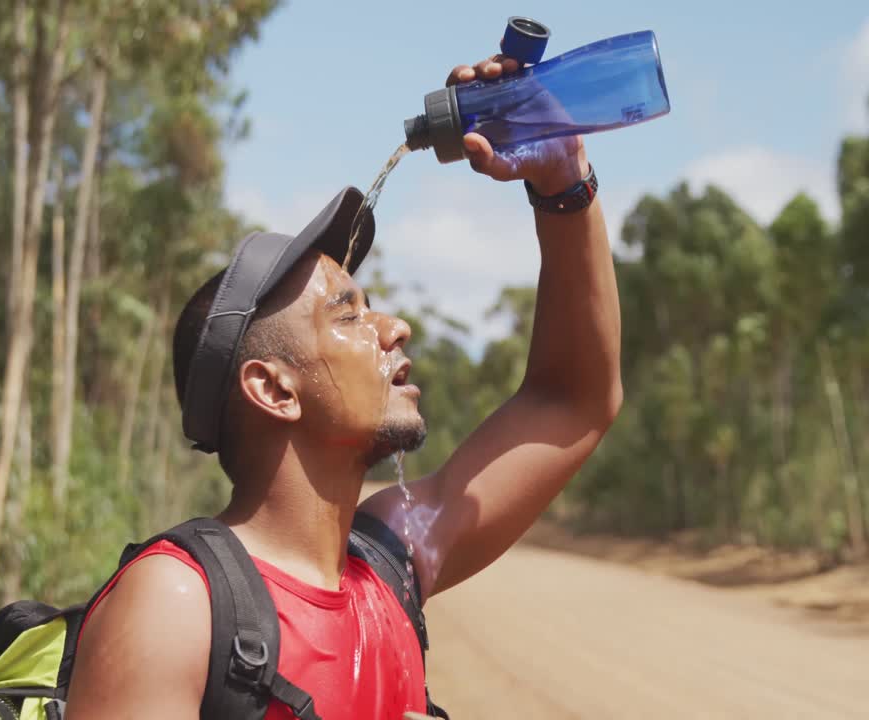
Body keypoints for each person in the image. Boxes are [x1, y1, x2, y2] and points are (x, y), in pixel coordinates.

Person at [66, 52, 623, 720]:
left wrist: (562, 180)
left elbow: (572, 401)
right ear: (274, 389)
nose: (396, 327)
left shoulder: (392, 561)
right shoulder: (178, 604)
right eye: (350, 313)